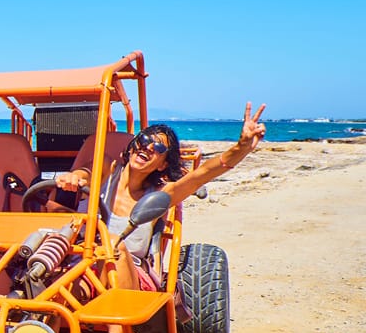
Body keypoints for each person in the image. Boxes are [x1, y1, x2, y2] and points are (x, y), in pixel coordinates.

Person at [55, 101, 267, 290]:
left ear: (163, 164)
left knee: (113, 245)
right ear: (131, 147)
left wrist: (241, 147)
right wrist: (75, 177)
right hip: (81, 265)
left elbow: (200, 176)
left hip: (130, 275)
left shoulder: (159, 194)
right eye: (145, 139)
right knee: (57, 281)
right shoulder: (106, 171)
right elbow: (87, 172)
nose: (148, 146)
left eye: (158, 147)